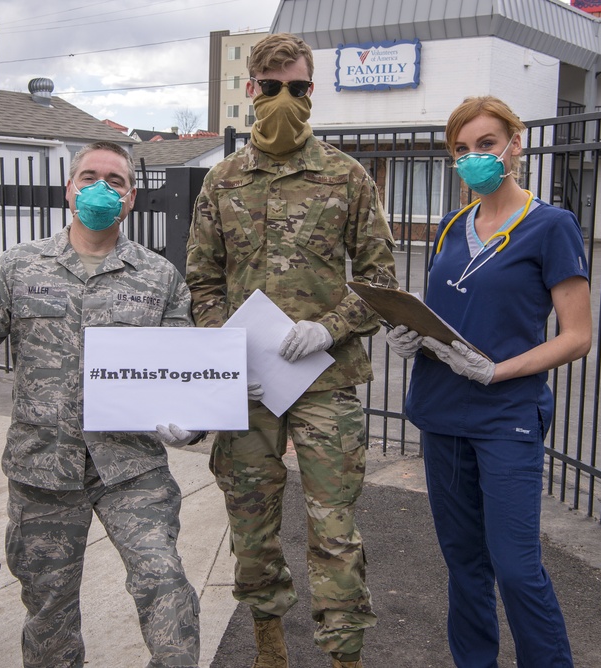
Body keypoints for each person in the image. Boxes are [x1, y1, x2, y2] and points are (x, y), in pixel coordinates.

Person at [185, 32, 397, 668]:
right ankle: (267, 642)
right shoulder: (221, 183)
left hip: (324, 380)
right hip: (248, 385)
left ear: (312, 92)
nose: (284, 99)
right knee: (251, 522)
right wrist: (222, 347)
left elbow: (380, 282)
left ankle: (343, 655)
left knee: (334, 527)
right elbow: (202, 279)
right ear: (252, 91)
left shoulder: (347, 177)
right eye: (272, 88)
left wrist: (329, 328)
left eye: (298, 88)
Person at [0, 141, 201, 668]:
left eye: (115, 181)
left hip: (131, 467)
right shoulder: (18, 266)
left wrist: (190, 423)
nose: (101, 189)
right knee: (49, 614)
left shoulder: (159, 277)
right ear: (69, 189)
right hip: (43, 468)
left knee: (166, 586)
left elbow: (185, 373)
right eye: (89, 177)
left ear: (130, 198)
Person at [387, 95, 591, 667]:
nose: (473, 157)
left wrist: (499, 370)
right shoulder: (453, 227)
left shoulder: (552, 227)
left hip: (506, 418)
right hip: (441, 412)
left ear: (514, 146)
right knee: (464, 564)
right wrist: (413, 338)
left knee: (517, 568)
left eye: (484, 144)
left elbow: (577, 335)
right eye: (461, 149)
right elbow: (447, 317)